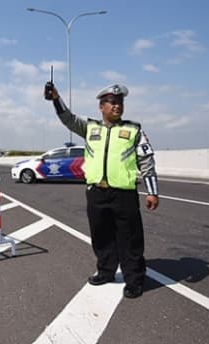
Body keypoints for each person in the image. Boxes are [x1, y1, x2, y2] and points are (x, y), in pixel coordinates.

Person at [44, 82, 159, 298]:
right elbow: (68, 119)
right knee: (101, 236)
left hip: (124, 194)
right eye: (113, 103)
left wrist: (153, 192)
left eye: (120, 103)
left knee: (130, 238)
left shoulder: (133, 130)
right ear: (101, 107)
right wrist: (56, 100)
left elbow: (147, 161)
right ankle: (106, 271)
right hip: (97, 193)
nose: (117, 106)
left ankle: (134, 279)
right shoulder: (90, 128)